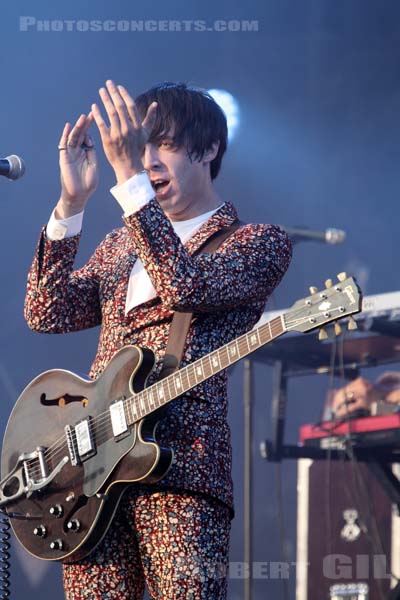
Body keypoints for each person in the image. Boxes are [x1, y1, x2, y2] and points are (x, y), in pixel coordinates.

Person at [24, 80, 292, 599]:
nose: (146, 159)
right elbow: (45, 311)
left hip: (181, 473)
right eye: (138, 147)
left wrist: (126, 179)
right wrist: (71, 202)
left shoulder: (256, 242)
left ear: (209, 148)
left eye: (162, 144)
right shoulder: (122, 243)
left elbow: (183, 286)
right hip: (93, 478)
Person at [328, 372, 400, 418]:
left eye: (349, 385)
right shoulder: (389, 416)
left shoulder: (389, 379)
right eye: (351, 393)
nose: (359, 379)